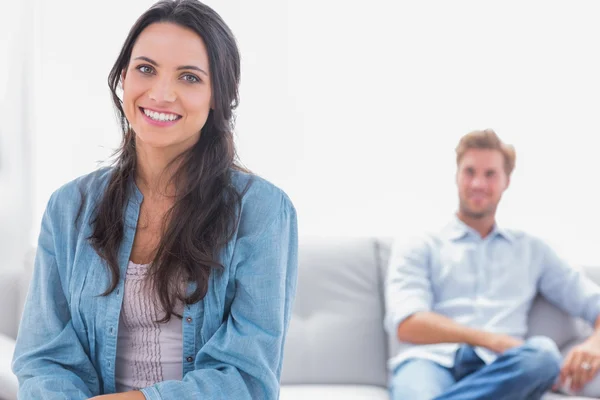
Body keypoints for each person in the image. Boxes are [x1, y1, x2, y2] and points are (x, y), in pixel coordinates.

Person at [12, 1, 298, 399]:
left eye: (190, 77)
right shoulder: (69, 207)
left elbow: (247, 377)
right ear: (123, 78)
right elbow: (44, 358)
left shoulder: (262, 211)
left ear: (218, 94)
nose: (162, 94)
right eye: (146, 69)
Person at [385, 129, 600, 400]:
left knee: (543, 355)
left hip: (506, 370)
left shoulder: (533, 250)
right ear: (456, 175)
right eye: (469, 172)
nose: (477, 183)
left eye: (490, 174)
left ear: (506, 181)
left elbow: (594, 303)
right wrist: (492, 340)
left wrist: (596, 344)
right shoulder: (420, 243)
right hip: (430, 362)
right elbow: (408, 323)